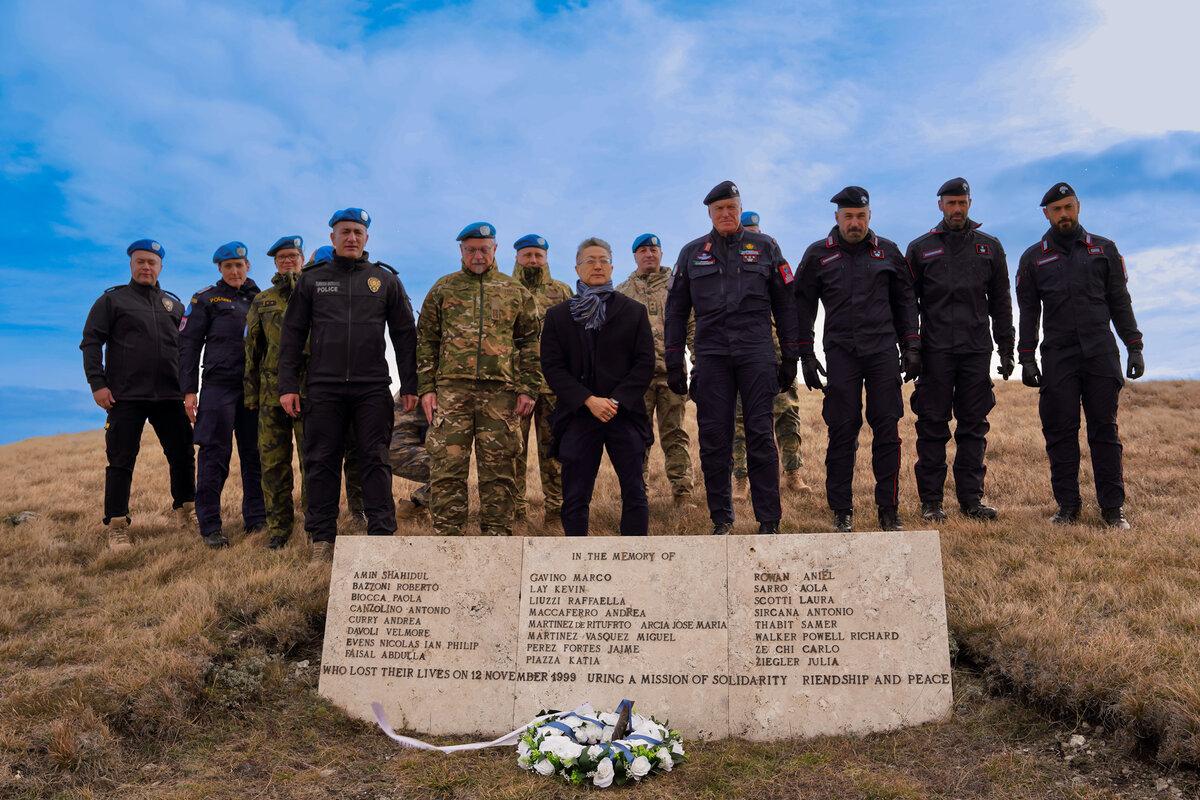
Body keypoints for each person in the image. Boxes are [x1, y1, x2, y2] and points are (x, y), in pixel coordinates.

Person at [278, 208, 419, 560]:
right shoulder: (312, 280)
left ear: (367, 237)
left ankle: (381, 534)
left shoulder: (384, 280)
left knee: (375, 458)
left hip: (372, 386)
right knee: (321, 461)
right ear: (332, 238)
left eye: (358, 231)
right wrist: (288, 385)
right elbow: (292, 335)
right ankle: (322, 539)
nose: (352, 237)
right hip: (323, 387)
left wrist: (412, 385)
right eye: (345, 232)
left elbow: (404, 335)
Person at [664, 180, 800, 536]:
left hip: (756, 352)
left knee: (759, 434)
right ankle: (721, 518)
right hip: (712, 355)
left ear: (740, 210)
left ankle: (769, 520)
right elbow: (676, 310)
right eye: (719, 209)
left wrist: (791, 356)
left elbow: (786, 304)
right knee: (714, 437)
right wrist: (674, 361)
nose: (726, 214)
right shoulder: (692, 253)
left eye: (732, 208)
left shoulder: (766, 246)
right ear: (709, 212)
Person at [1015, 182, 1144, 529]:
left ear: (1079, 207)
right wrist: (1026, 357)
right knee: (1060, 432)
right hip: (1059, 356)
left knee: (1105, 430)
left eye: (1068, 207)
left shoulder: (1104, 250)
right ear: (1046, 214)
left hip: (1101, 352)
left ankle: (1113, 509)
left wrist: (1134, 345)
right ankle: (1068, 507)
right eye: (1056, 210)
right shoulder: (1033, 258)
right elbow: (1029, 312)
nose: (1064, 215)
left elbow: (1120, 301)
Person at [794, 187, 921, 533]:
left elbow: (906, 302)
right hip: (841, 355)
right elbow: (801, 306)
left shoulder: (889, 253)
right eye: (848, 216)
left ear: (870, 216)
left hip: (882, 353)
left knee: (887, 431)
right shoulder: (819, 255)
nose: (855, 222)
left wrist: (912, 346)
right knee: (842, 431)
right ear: (837, 218)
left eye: (860, 216)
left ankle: (888, 511)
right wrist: (805, 354)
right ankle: (842, 511)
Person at [416, 222, 540, 537]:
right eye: (471, 249)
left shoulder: (515, 291)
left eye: (484, 249)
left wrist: (528, 389)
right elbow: (426, 341)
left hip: (501, 394)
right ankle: (448, 535)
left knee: (499, 469)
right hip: (451, 392)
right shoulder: (444, 288)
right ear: (461, 251)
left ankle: (497, 533)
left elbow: (530, 343)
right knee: (447, 467)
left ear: (495, 250)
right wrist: (426, 389)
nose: (478, 255)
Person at [906, 178, 1014, 523]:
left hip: (975, 350)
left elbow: (1001, 302)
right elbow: (908, 303)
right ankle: (931, 502)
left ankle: (971, 500)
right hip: (935, 351)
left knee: (973, 426)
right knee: (932, 425)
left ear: (970, 204)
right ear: (940, 205)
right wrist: (911, 347)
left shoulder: (989, 247)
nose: (957, 209)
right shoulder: (921, 248)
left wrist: (1008, 348)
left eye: (962, 203)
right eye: (951, 203)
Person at [80, 239, 196, 549]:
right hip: (126, 396)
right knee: (120, 459)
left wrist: (188, 390)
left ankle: (185, 510)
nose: (146, 267)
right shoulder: (112, 301)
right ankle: (117, 523)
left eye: (152, 262)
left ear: (161, 266)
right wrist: (98, 384)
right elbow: (91, 342)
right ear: (131, 264)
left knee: (183, 454)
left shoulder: (174, 305)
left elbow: (186, 350)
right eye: (140, 261)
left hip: (170, 395)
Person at [541, 237, 655, 536]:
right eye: (590, 260)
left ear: (613, 266)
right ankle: (576, 560)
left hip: (624, 414)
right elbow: (553, 367)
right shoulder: (558, 316)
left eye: (603, 260)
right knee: (575, 495)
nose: (597, 265)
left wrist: (615, 401)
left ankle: (634, 559)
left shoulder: (633, 311)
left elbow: (644, 363)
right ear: (577, 268)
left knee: (634, 491)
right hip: (578, 415)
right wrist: (588, 400)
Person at [179, 241, 265, 548]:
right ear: (220, 269)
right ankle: (211, 526)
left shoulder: (261, 299)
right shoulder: (205, 299)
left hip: (253, 389)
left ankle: (257, 520)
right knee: (214, 456)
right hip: (218, 388)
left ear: (248, 266)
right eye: (228, 266)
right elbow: (188, 346)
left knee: (255, 455)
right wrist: (189, 390)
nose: (234, 271)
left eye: (239, 265)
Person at [730, 210, 808, 497]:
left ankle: (793, 473)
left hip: (776, 352)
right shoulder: (730, 269)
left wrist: (794, 352)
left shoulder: (775, 261)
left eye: (756, 231)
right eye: (747, 232)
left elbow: (792, 306)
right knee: (740, 419)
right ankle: (741, 479)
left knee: (787, 413)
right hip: (744, 354)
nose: (753, 237)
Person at [615, 233, 696, 507]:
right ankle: (637, 495)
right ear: (635, 256)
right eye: (642, 250)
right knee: (637, 438)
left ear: (661, 253)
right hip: (636, 381)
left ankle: (682, 493)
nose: (648, 254)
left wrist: (699, 364)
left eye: (653, 249)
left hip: (672, 374)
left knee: (675, 434)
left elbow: (693, 325)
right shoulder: (622, 291)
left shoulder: (678, 286)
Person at [244, 235, 308, 550]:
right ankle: (279, 527)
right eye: (282, 257)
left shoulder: (315, 294)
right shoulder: (263, 300)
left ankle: (315, 525)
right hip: (271, 395)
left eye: (293, 255)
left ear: (303, 258)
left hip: (309, 391)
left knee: (313, 461)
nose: (288, 261)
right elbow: (252, 350)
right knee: (273, 464)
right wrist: (251, 395)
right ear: (275, 262)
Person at [510, 233, 572, 528]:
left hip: (553, 386)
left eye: (538, 255)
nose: (533, 260)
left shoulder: (561, 292)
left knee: (554, 452)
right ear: (517, 258)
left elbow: (577, 336)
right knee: (512, 451)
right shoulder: (505, 290)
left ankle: (556, 511)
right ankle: (515, 510)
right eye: (527, 255)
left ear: (546, 259)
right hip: (514, 384)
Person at [389, 391, 431, 519]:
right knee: (453, 467)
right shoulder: (431, 388)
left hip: (390, 450)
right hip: (399, 451)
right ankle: (416, 505)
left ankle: (413, 507)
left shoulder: (412, 383)